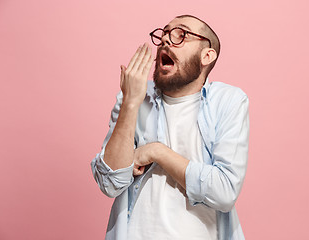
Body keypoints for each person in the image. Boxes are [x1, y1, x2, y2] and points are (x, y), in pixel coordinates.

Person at [91, 14, 249, 240]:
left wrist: (156, 151)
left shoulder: (228, 101)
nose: (165, 40)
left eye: (180, 35)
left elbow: (224, 191)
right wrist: (130, 102)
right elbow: (109, 183)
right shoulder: (134, 98)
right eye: (164, 33)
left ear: (206, 55)